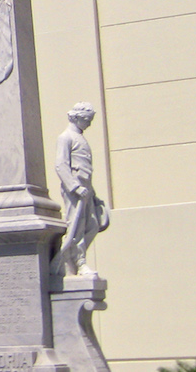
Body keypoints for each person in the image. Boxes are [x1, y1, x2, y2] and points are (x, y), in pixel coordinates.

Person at [52, 102, 110, 277]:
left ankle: (75, 258)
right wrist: (75, 187)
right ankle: (78, 262)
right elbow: (61, 165)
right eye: (87, 120)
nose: (89, 124)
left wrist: (93, 195)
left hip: (86, 190)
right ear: (76, 117)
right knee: (76, 226)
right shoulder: (65, 137)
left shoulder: (79, 137)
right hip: (74, 190)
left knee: (92, 224)